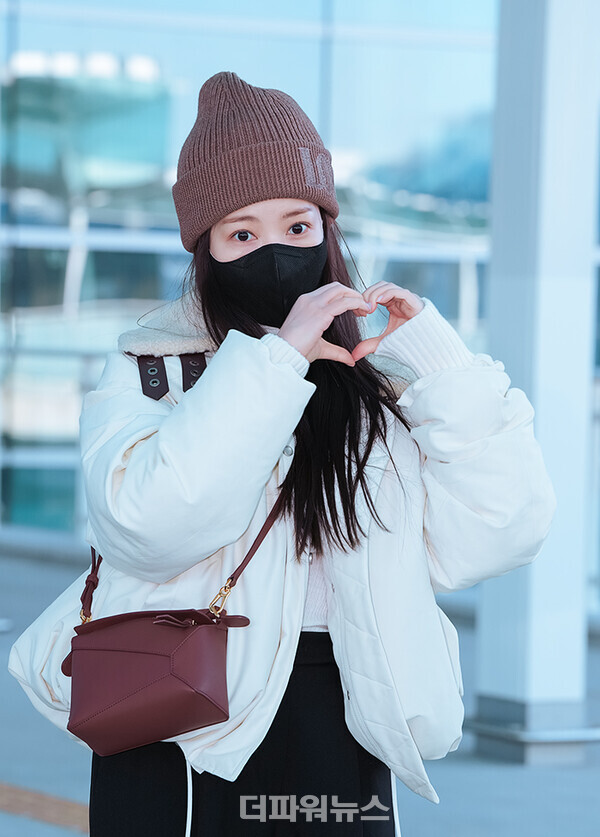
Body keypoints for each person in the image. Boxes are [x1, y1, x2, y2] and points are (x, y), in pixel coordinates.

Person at [9, 71, 557, 837]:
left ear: (328, 232)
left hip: (351, 708)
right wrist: (276, 363)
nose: (275, 252)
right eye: (242, 233)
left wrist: (439, 366)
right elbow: (152, 525)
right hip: (186, 719)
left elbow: (501, 531)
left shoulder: (380, 388)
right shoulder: (151, 370)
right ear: (204, 249)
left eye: (298, 227)